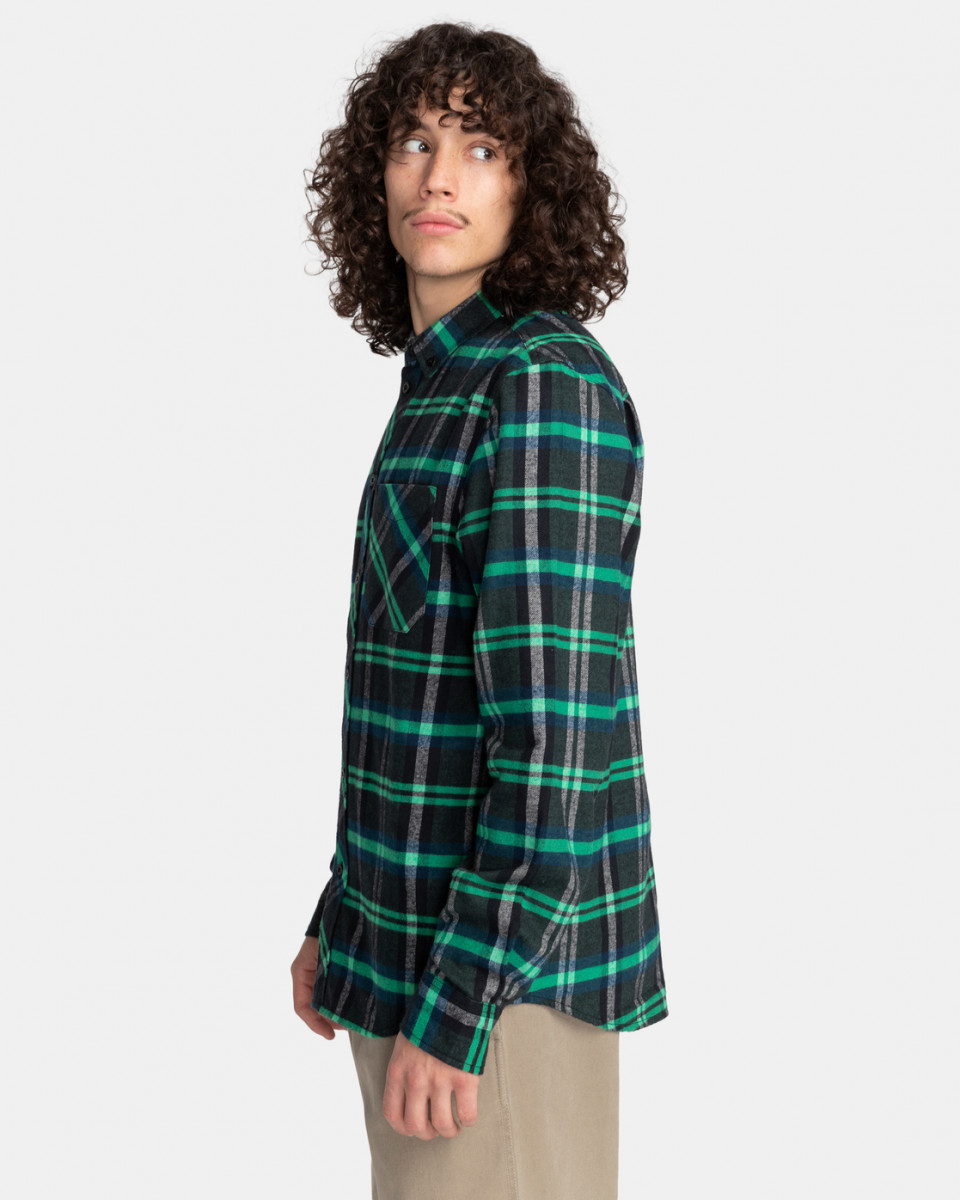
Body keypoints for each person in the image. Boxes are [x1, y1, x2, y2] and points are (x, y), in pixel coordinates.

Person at [290, 22, 668, 1199]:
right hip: (410, 959)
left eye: (483, 148)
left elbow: (552, 741)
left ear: (531, 187)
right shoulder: (442, 381)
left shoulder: (539, 380)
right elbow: (419, 704)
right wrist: (342, 915)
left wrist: (461, 1005)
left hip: (499, 993)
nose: (440, 176)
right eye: (414, 142)